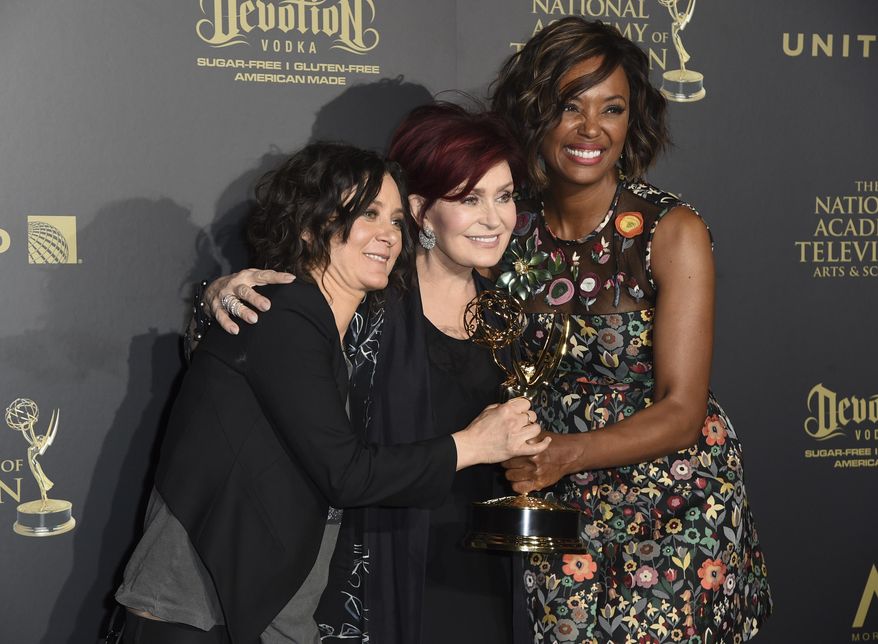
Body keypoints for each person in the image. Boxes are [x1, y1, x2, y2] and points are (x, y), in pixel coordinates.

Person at [113, 142, 547, 644]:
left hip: (257, 607)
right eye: (367, 214)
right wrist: (475, 444)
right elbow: (345, 473)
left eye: (394, 220)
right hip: (198, 604)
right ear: (308, 225)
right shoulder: (284, 313)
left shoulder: (325, 326)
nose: (387, 234)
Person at [491, 18, 772, 643]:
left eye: (611, 109)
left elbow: (681, 410)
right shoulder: (504, 226)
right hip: (554, 504)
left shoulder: (671, 231)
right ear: (536, 114)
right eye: (570, 106)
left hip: (670, 504)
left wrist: (566, 453)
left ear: (631, 121)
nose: (592, 129)